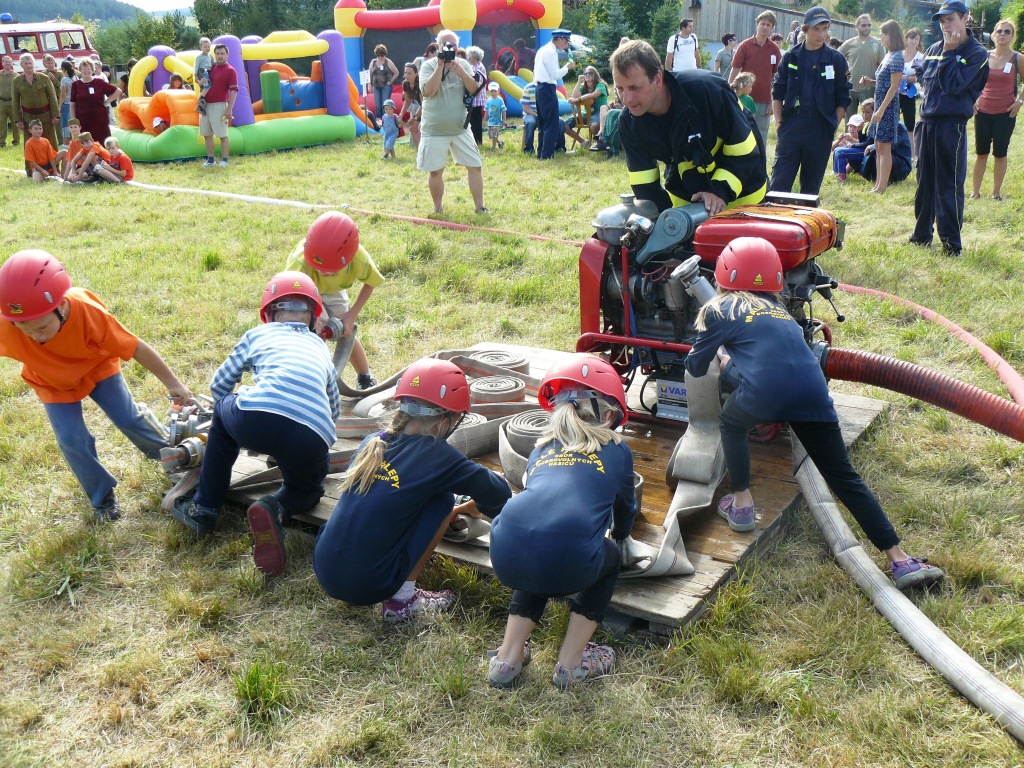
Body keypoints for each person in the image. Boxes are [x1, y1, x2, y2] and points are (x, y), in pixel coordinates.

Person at [684, 238, 945, 592]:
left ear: (724, 275)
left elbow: (695, 367)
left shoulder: (718, 309)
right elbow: (786, 362)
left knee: (731, 422)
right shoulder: (784, 315)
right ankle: (900, 559)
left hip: (763, 395)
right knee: (844, 477)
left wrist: (723, 359)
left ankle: (742, 503)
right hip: (813, 395)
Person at [313, 358, 511, 621]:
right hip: (369, 585)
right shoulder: (436, 455)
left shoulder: (372, 442)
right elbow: (499, 493)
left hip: (325, 569)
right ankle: (402, 600)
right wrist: (478, 505)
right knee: (441, 500)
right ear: (446, 421)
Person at [168, 272, 341, 574]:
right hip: (313, 434)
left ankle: (204, 507)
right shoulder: (319, 348)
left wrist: (228, 419)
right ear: (313, 317)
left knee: (224, 411)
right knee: (308, 491)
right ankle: (274, 507)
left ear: (269, 313)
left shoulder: (258, 335)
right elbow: (334, 406)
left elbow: (220, 384)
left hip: (255, 417)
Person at [0, 250, 191, 521]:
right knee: (71, 440)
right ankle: (102, 497)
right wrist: (26, 328)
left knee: (128, 418)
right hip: (52, 381)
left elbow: (136, 346)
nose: (34, 335)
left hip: (96, 366)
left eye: (41, 327)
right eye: (24, 329)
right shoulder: (8, 324)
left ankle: (175, 459)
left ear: (61, 306)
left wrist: (174, 383)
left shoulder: (87, 311)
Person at [487, 354, 635, 689]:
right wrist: (622, 535)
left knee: (538, 545)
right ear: (609, 415)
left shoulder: (542, 447)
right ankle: (570, 665)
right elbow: (626, 506)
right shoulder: (617, 449)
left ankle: (507, 659)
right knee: (608, 557)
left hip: (506, 552)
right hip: (567, 560)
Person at [611, 39, 767, 215]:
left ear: (658, 79)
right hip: (689, 201)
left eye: (634, 88)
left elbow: (745, 150)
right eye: (620, 89)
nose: (627, 99)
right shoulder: (629, 121)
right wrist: (663, 220)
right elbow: (644, 184)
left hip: (743, 199)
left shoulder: (708, 90)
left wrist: (718, 192)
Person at [911, 0, 989, 258]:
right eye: (942, 21)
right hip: (926, 123)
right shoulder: (934, 48)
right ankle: (921, 236)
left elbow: (953, 86)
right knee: (924, 184)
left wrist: (950, 52)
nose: (945, 25)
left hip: (950, 126)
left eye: (951, 19)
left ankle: (951, 244)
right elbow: (923, 74)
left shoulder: (977, 53)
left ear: (965, 18)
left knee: (948, 185)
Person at [283, 211, 381, 390]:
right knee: (315, 334)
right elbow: (289, 290)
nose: (324, 272)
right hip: (302, 290)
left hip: (333, 290)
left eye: (332, 270)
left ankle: (365, 377)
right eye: (319, 268)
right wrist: (316, 313)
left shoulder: (359, 258)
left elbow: (371, 282)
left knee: (344, 330)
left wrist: (351, 315)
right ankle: (311, 380)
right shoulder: (299, 262)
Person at [770, 7, 851, 197]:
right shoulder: (791, 56)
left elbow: (844, 97)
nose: (821, 34)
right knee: (778, 187)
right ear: (805, 29)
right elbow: (777, 91)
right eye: (816, 29)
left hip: (821, 128)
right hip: (792, 125)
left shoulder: (836, 59)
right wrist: (780, 124)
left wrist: (832, 125)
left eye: (825, 29)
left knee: (810, 191)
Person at [417, 29, 487, 213]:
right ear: (438, 46)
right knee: (435, 171)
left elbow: (474, 90)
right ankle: (438, 208)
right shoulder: (428, 66)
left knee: (475, 166)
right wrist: (440, 66)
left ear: (458, 46)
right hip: (434, 129)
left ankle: (480, 207)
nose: (450, 48)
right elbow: (428, 91)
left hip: (460, 128)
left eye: (454, 45)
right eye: (446, 45)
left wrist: (461, 72)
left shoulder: (463, 64)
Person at [970, 19, 1021, 201]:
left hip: (1005, 114)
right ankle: (975, 192)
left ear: (1012, 36)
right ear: (993, 34)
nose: (1002, 34)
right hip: (983, 112)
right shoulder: (984, 56)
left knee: (1000, 153)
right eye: (999, 31)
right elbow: (973, 80)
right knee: (981, 153)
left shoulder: (1018, 58)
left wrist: (1019, 102)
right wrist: (972, 101)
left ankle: (995, 193)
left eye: (1007, 32)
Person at [859, 19, 905, 194]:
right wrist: (871, 81)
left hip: (888, 108)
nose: (880, 37)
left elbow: (894, 86)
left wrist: (881, 109)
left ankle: (882, 187)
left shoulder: (897, 56)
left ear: (890, 35)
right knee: (878, 147)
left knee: (884, 148)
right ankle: (878, 184)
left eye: (882, 34)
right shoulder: (888, 54)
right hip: (880, 105)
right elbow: (884, 82)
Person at [728, 12, 781, 148]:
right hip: (744, 97)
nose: (765, 27)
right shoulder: (745, 46)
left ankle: (760, 160)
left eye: (768, 25)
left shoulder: (774, 49)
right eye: (762, 24)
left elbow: (777, 77)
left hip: (765, 100)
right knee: (742, 131)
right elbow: (735, 70)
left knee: (761, 133)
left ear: (772, 28)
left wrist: (773, 100)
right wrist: (729, 92)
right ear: (757, 25)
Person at [535, 29, 576, 160]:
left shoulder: (542, 50)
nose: (567, 44)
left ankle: (541, 153)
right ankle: (547, 155)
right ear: (560, 39)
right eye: (566, 41)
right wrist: (567, 67)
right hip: (547, 88)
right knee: (551, 123)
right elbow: (555, 75)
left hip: (539, 88)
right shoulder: (551, 52)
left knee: (543, 123)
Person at [840, 14, 885, 120]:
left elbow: (882, 66)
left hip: (869, 89)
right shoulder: (849, 43)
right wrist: (844, 75)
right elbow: (837, 59)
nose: (867, 28)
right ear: (856, 26)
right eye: (863, 25)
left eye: (869, 25)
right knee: (850, 120)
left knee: (868, 120)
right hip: (850, 87)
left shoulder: (877, 44)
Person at [199, 44, 238, 168]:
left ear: (227, 55)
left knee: (222, 134)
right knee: (206, 134)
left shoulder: (231, 70)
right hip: (205, 105)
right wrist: (200, 82)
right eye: (218, 53)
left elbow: (234, 91)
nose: (220, 56)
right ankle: (210, 160)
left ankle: (224, 160)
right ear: (214, 54)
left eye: (222, 53)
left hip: (220, 105)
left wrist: (229, 109)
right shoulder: (211, 68)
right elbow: (202, 82)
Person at [13, 54, 60, 151]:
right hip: (28, 118)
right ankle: (32, 162)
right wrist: (18, 120)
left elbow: (52, 97)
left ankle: (53, 161)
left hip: (45, 117)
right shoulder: (17, 81)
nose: (29, 65)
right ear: (21, 65)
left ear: (34, 64)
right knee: (30, 146)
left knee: (51, 144)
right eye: (26, 63)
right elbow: (15, 101)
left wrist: (55, 115)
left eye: (30, 63)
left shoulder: (44, 78)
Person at [69, 59, 120, 146]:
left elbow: (118, 91)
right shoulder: (76, 85)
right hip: (83, 121)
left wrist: (107, 102)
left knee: (103, 144)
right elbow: (72, 104)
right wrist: (74, 121)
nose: (86, 71)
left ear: (93, 70)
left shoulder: (99, 82)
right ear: (80, 70)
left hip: (100, 121)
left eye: (88, 69)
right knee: (86, 145)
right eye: (84, 69)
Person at [899, 27, 925, 154]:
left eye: (916, 39)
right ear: (906, 39)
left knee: (910, 124)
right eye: (911, 38)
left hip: (909, 93)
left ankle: (913, 153)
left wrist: (905, 78)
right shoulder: (899, 54)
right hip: (894, 92)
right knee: (894, 122)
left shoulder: (920, 57)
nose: (913, 41)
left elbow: (920, 77)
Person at [570, 65, 609, 139]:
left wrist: (578, 99)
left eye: (590, 73)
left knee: (594, 126)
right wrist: (579, 82)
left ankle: (601, 141)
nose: (587, 75)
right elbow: (574, 97)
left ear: (594, 75)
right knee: (565, 125)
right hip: (586, 113)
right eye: (585, 73)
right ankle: (583, 141)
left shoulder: (600, 85)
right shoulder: (583, 87)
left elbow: (594, 95)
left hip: (599, 113)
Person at [368, 44, 400, 121]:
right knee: (377, 105)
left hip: (386, 86)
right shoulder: (373, 62)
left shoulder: (388, 62)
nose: (380, 57)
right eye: (378, 55)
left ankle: (386, 119)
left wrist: (391, 81)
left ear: (384, 54)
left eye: (381, 55)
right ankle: (378, 120)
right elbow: (369, 74)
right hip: (376, 86)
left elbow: (396, 72)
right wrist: (369, 85)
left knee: (385, 104)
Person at [467, 47, 488, 145]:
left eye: (470, 55)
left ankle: (478, 141)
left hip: (477, 98)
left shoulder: (478, 67)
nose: (468, 57)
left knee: (476, 121)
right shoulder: (474, 66)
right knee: (473, 120)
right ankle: (475, 140)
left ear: (474, 56)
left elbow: (477, 83)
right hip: (475, 98)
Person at [41, 55, 64, 144]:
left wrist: (53, 79)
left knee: (58, 120)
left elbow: (62, 87)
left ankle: (61, 141)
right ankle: (48, 141)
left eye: (51, 63)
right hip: (47, 100)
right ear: (45, 64)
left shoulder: (60, 73)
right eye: (48, 63)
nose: (50, 65)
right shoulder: (43, 74)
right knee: (47, 121)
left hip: (58, 99)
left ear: (54, 63)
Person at [0, 55, 20, 148]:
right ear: (2, 63)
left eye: (9, 62)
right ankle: (1, 142)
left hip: (12, 103)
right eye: (5, 62)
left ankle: (16, 141)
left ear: (12, 64)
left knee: (15, 124)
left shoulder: (16, 76)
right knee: (1, 123)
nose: (7, 63)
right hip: (1, 103)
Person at [400, 70, 421, 150]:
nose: (407, 75)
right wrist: (401, 114)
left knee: (419, 128)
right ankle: (420, 152)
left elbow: (424, 105)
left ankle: (423, 151)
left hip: (427, 107)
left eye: (409, 73)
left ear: (416, 74)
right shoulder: (405, 84)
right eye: (405, 73)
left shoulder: (419, 85)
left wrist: (414, 118)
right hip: (419, 107)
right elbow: (407, 101)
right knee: (413, 128)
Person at [194, 37, 213, 115]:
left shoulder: (210, 55)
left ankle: (200, 108)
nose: (207, 48)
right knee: (208, 84)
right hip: (202, 71)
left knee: (204, 87)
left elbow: (213, 63)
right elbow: (196, 66)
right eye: (205, 47)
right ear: (201, 47)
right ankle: (201, 98)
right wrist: (196, 75)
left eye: (208, 46)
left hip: (208, 71)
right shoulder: (200, 57)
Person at [485, 82, 506, 149]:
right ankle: (500, 143)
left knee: (494, 135)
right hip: (490, 121)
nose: (493, 93)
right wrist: (484, 120)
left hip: (497, 121)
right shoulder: (488, 101)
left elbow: (503, 110)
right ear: (489, 91)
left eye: (495, 91)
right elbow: (486, 111)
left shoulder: (500, 100)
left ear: (498, 91)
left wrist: (504, 120)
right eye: (492, 91)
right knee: (491, 135)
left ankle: (493, 148)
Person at [58, 60, 74, 141]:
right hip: (75, 103)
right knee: (74, 124)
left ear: (63, 69)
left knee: (66, 125)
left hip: (67, 104)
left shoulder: (64, 79)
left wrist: (59, 106)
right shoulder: (75, 78)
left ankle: (66, 142)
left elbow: (63, 95)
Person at [520, 80, 538, 154]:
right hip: (530, 113)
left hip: (544, 114)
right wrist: (536, 114)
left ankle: (559, 148)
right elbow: (526, 109)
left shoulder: (548, 86)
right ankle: (529, 149)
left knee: (560, 122)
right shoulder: (528, 88)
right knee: (530, 122)